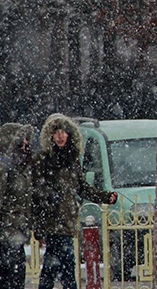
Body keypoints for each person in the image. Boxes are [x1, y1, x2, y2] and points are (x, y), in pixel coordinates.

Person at [32, 113, 118, 289]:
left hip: (67, 221)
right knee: (62, 266)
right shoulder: (43, 159)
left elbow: (81, 187)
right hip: (51, 221)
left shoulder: (72, 160)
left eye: (63, 131)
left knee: (56, 267)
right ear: (50, 135)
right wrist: (49, 197)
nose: (60, 135)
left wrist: (104, 196)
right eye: (56, 132)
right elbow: (35, 190)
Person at [0, 122, 34, 289]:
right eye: (23, 139)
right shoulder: (2, 167)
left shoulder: (20, 168)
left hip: (16, 231)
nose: (26, 143)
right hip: (8, 231)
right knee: (13, 275)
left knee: (8, 276)